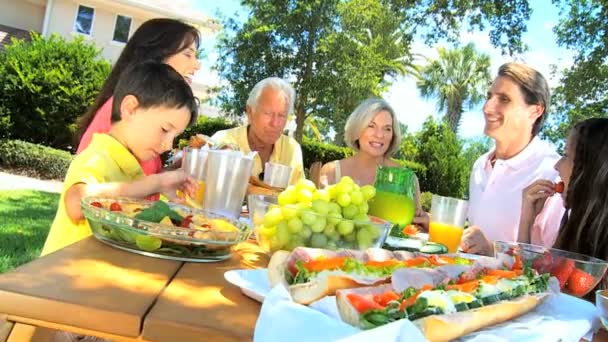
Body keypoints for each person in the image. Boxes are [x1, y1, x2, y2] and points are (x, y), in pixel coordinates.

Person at [41, 62, 199, 256]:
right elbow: (75, 203)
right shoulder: (98, 157)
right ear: (130, 109)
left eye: (174, 136)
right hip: (62, 278)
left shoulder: (130, 165)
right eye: (165, 130)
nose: (169, 145)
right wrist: (155, 183)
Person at [460, 63, 565, 255]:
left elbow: (554, 263)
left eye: (504, 99)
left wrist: (492, 250)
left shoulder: (553, 173)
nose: (487, 108)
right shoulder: (480, 166)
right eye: (489, 96)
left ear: (535, 111)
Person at [75, 18, 201, 176]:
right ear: (158, 55)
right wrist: (158, 183)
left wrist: (169, 174)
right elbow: (93, 191)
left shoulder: (142, 114)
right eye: (188, 55)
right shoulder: (125, 112)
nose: (197, 65)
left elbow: (133, 182)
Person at [319, 98, 429, 230]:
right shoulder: (331, 172)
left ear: (393, 135)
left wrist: (427, 225)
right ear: (357, 129)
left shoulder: (408, 179)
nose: (379, 135)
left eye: (387, 129)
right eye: (371, 126)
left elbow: (414, 230)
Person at [520, 118, 608, 262]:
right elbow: (535, 280)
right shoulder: (575, 226)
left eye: (566, 155)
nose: (557, 165)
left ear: (589, 170)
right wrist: (527, 219)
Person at [211, 77, 304, 185]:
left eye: (282, 115)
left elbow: (299, 197)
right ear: (250, 112)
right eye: (268, 113)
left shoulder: (291, 150)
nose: (275, 123)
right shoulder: (222, 141)